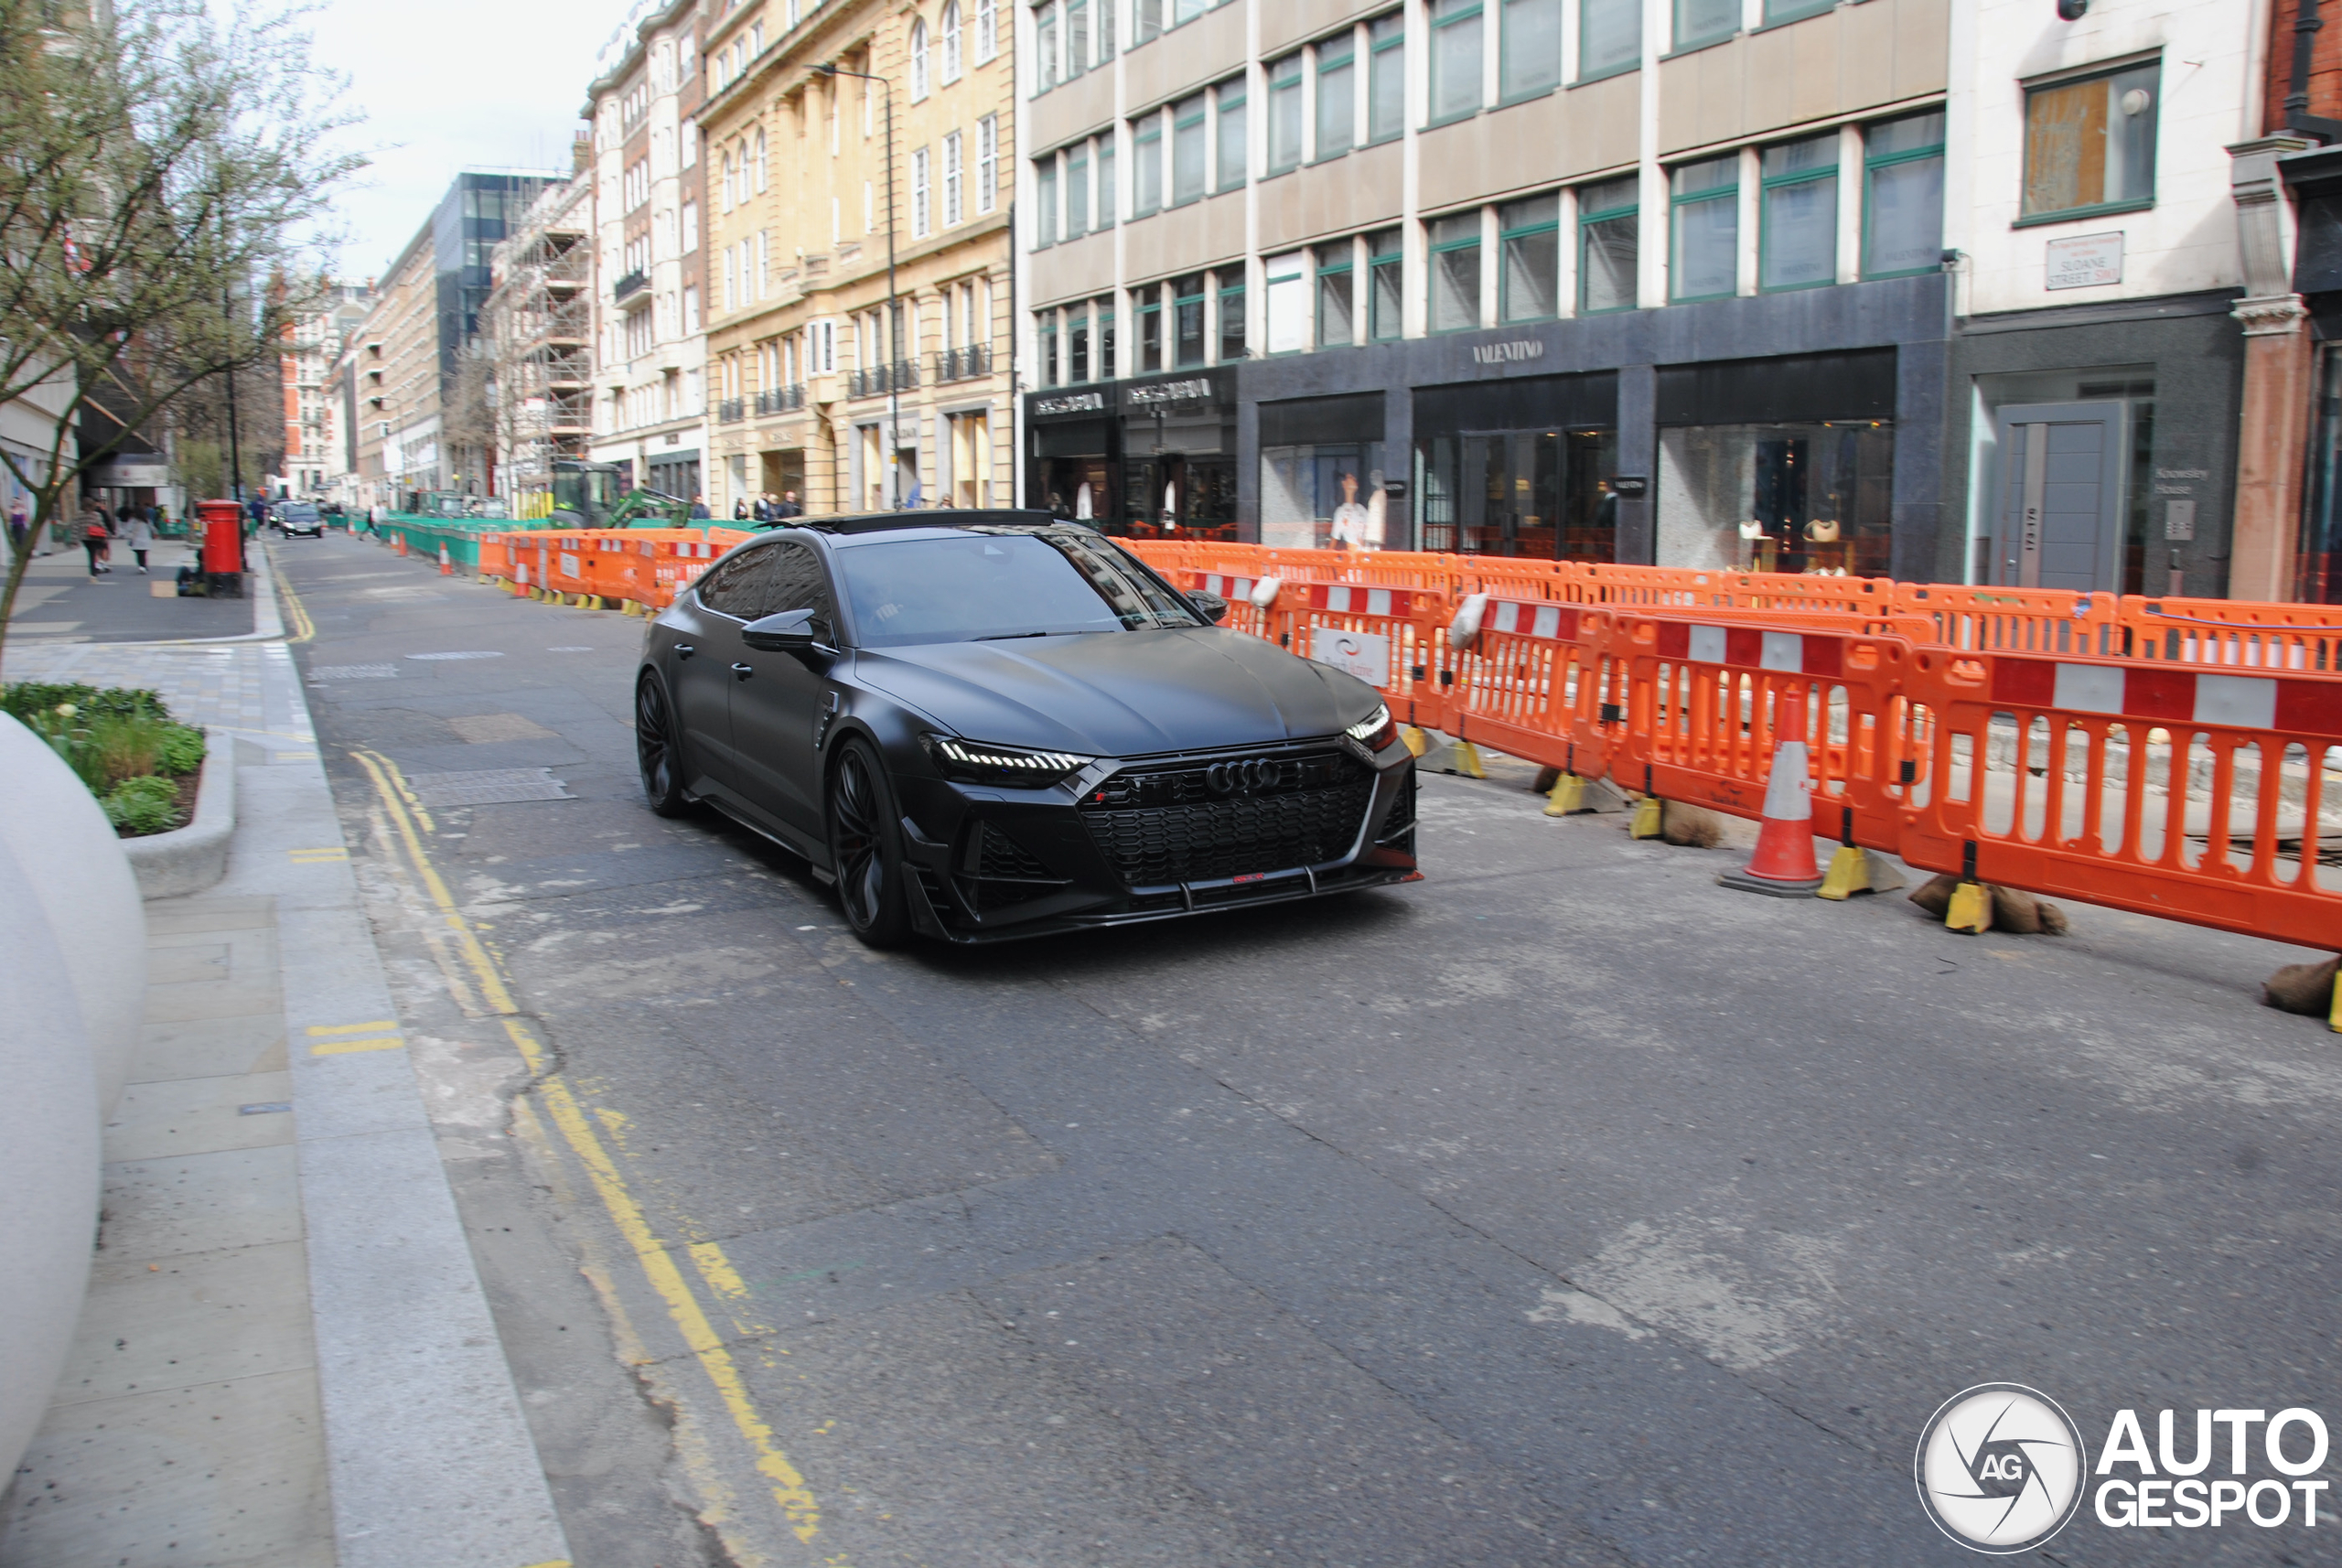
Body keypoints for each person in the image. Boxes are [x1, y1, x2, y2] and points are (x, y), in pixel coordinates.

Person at [1328, 471, 1375, 551]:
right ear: (1344, 483)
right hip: (1351, 555)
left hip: (1365, 554)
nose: (1354, 480)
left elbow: (1371, 532)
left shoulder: (1361, 509)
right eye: (1350, 478)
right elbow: (1334, 541)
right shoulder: (1341, 512)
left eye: (1354, 478)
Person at [78, 503, 111, 578]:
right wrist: (106, 535)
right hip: (94, 536)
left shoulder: (79, 515)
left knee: (90, 553)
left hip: (84, 537)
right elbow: (101, 525)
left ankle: (93, 570)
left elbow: (75, 526)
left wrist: (74, 539)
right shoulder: (96, 515)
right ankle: (93, 572)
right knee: (93, 553)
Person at [123, 507, 154, 574]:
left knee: (138, 554)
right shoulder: (146, 520)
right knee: (144, 554)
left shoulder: (132, 520)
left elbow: (128, 529)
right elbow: (152, 528)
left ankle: (141, 566)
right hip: (145, 540)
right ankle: (144, 566)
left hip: (136, 540)